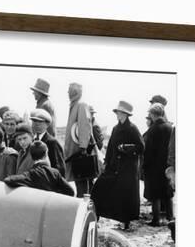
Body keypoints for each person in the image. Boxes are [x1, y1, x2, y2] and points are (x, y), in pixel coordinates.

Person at [91, 101, 144, 230]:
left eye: (119, 112)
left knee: (125, 195)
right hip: (113, 166)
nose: (117, 114)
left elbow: (141, 147)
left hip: (127, 168)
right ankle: (96, 216)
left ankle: (126, 222)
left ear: (125, 114)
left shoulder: (132, 128)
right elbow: (110, 148)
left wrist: (126, 148)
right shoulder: (115, 128)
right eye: (117, 112)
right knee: (99, 187)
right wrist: (106, 162)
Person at [142, 103, 174, 226]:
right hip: (167, 166)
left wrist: (145, 165)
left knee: (155, 194)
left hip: (154, 167)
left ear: (152, 115)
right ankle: (170, 218)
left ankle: (156, 220)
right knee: (168, 193)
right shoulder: (170, 127)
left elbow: (148, 150)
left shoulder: (152, 130)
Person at [4, 141, 74, 196]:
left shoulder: (29, 175)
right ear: (46, 153)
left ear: (31, 156)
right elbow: (71, 192)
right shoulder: (55, 173)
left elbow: (8, 180)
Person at [64, 82, 96, 197]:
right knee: (80, 182)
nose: (67, 92)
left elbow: (84, 126)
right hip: (76, 152)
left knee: (83, 183)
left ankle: (85, 208)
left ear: (75, 92)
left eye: (69, 90)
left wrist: (83, 148)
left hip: (80, 152)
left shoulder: (81, 105)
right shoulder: (74, 105)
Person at [30, 109, 66, 176]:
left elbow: (60, 168)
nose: (36, 124)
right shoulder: (31, 141)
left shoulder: (52, 142)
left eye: (40, 122)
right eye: (34, 121)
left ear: (47, 124)